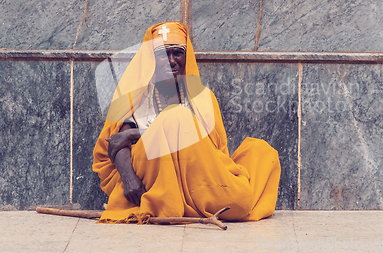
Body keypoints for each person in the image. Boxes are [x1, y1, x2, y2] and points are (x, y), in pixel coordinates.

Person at [92, 21, 281, 223]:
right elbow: (118, 143)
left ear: (186, 56)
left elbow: (209, 151)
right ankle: (171, 201)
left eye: (177, 53)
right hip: (154, 178)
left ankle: (193, 204)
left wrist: (136, 133)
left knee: (259, 158)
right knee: (176, 115)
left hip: (196, 178)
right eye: (163, 54)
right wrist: (129, 179)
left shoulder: (202, 98)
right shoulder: (135, 95)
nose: (171, 60)